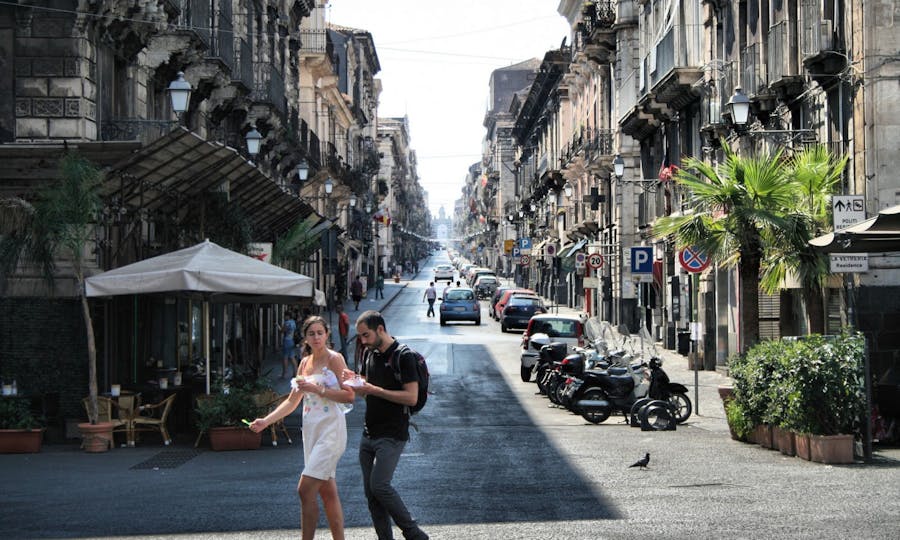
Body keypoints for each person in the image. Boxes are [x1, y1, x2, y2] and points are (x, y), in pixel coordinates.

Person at [250, 316, 355, 540]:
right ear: (305, 338)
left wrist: (319, 390)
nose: (316, 337)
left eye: (320, 333)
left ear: (327, 334)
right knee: (327, 492)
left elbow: (350, 395)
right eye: (311, 333)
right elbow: (291, 401)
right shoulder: (304, 362)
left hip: (331, 430)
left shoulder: (335, 359)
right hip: (311, 431)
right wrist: (265, 421)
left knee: (304, 489)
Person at [342, 311, 429, 540]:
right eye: (360, 336)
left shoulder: (403, 356)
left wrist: (373, 390)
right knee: (372, 496)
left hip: (392, 433)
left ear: (380, 329)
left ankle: (414, 533)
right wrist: (356, 382)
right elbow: (367, 394)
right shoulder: (370, 355)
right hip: (368, 433)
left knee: (380, 486)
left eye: (366, 335)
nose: (363, 341)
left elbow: (411, 397)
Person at [278, 311, 298, 379]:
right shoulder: (293, 322)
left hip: (286, 341)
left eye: (285, 316)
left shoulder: (287, 323)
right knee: (292, 357)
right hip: (291, 340)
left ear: (288, 316)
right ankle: (295, 373)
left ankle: (284, 374)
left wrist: (278, 326)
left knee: (285, 357)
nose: (284, 317)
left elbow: (281, 331)